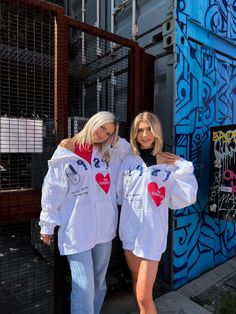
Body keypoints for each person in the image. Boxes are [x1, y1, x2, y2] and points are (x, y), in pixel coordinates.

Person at [39, 111, 130, 314]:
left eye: (108, 132)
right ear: (92, 122)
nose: (103, 134)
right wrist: (47, 224)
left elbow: (128, 149)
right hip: (76, 229)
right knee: (84, 286)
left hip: (104, 229)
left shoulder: (107, 152)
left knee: (99, 282)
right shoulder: (68, 147)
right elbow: (53, 188)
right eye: (101, 127)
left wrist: (113, 139)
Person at [117, 112, 198, 314]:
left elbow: (186, 195)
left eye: (149, 129)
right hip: (129, 231)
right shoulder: (127, 161)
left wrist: (175, 163)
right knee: (136, 279)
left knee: (145, 297)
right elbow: (119, 194)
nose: (144, 135)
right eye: (140, 130)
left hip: (152, 235)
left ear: (157, 131)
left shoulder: (167, 162)